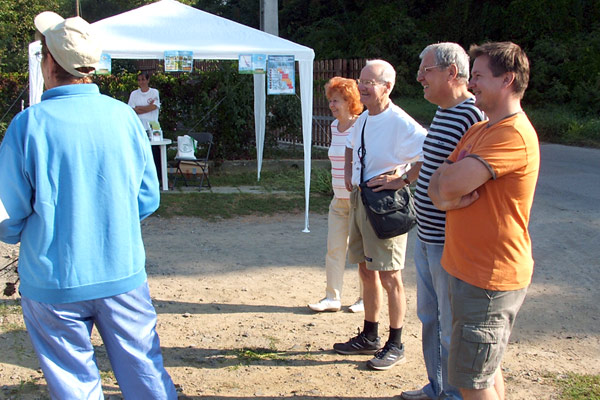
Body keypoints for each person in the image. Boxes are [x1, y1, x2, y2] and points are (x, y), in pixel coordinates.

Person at [0, 12, 176, 399]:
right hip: (121, 271)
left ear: (48, 61)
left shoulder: (27, 126)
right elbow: (148, 197)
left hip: (52, 282)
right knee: (145, 374)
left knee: (74, 385)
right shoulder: (124, 118)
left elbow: (8, 218)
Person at [428, 42, 539, 400]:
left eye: (477, 76)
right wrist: (448, 188)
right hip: (469, 271)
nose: (470, 84)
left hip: (489, 278)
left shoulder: (512, 134)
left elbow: (451, 183)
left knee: (472, 382)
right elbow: (435, 185)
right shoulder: (480, 129)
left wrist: (450, 189)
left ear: (507, 80)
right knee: (484, 372)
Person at [400, 43, 485, 400]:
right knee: (430, 317)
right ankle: (437, 387)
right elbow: (434, 164)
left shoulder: (472, 115)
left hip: (450, 242)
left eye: (427, 70)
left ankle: (452, 393)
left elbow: (477, 180)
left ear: (452, 73)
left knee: (450, 324)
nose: (420, 77)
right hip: (427, 235)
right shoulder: (443, 112)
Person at [333, 60, 427, 371]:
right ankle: (369, 336)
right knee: (365, 270)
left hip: (386, 205)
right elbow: (349, 144)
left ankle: (396, 343)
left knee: (390, 276)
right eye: (360, 80)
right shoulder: (362, 119)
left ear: (387, 87)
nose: (361, 86)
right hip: (361, 200)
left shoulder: (399, 121)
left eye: (369, 82)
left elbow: (431, 153)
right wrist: (349, 172)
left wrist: (402, 179)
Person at [309, 77, 364, 313]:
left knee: (362, 253)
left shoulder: (362, 125)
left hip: (358, 200)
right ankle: (332, 297)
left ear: (350, 101)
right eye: (330, 101)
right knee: (334, 249)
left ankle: (365, 298)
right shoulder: (333, 127)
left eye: (337, 101)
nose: (332, 105)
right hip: (337, 200)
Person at [128, 72, 163, 183]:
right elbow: (132, 109)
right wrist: (145, 108)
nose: (141, 82)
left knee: (155, 153)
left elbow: (153, 107)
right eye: (139, 80)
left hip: (153, 127)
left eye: (143, 79)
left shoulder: (154, 92)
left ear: (148, 80)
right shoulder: (134, 94)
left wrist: (140, 108)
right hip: (139, 126)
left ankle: (159, 178)